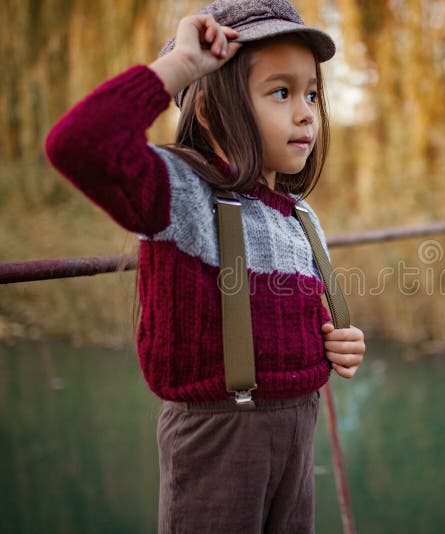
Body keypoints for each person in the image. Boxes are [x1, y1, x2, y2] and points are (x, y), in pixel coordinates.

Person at [45, 0, 365, 531]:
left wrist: (333, 342)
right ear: (213, 106)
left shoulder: (301, 218)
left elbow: (289, 317)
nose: (307, 111)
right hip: (221, 440)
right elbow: (80, 145)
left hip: (297, 431)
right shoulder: (184, 196)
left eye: (312, 93)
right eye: (281, 92)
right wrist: (180, 69)